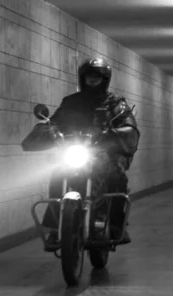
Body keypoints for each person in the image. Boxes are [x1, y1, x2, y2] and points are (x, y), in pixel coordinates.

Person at [33, 58, 140, 250]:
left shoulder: (115, 103)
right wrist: (47, 128)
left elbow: (128, 125)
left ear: (104, 79)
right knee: (57, 176)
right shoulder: (70, 102)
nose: (92, 80)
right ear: (83, 78)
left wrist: (116, 133)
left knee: (117, 176)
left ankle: (116, 225)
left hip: (104, 154)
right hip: (75, 151)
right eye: (89, 77)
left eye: (96, 77)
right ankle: (56, 227)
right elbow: (55, 121)